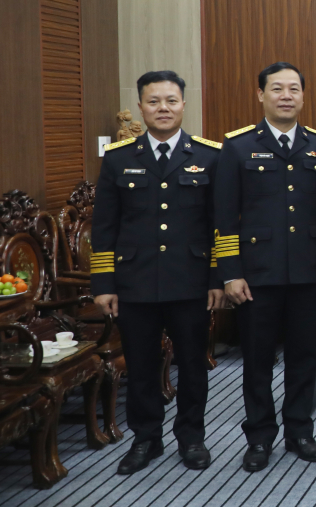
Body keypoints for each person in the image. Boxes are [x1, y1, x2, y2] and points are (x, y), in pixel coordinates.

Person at [91, 70, 222, 474]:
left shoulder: (208, 156)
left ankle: (191, 437)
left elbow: (219, 224)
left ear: (183, 104)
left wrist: (217, 278)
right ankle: (146, 438)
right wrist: (104, 283)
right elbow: (104, 227)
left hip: (191, 281)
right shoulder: (118, 158)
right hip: (135, 282)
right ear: (141, 107)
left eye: (170, 100)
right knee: (141, 364)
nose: (163, 108)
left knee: (193, 363)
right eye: (153, 101)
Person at [214, 62, 316, 473]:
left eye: (294, 89)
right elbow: (224, 215)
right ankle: (259, 436)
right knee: (257, 359)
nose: (286, 96)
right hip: (256, 274)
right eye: (277, 89)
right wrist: (230, 272)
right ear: (260, 95)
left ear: (303, 96)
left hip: (307, 271)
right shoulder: (238, 146)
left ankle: (300, 430)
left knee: (304, 356)